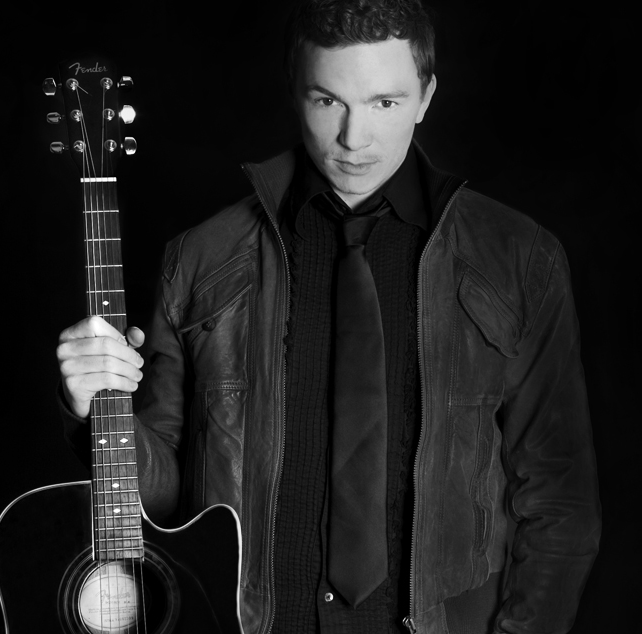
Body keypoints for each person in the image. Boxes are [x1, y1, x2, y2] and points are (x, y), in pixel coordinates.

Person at [56, 1, 601, 632]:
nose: (353, 138)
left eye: (385, 102)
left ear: (426, 97)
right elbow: (166, 503)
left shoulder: (518, 259)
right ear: (294, 92)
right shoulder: (202, 258)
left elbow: (559, 503)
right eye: (328, 101)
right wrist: (95, 408)